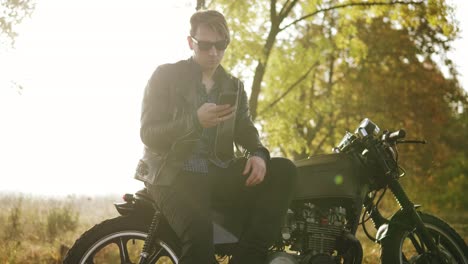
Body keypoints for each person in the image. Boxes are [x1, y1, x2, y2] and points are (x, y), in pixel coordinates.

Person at [134, 9, 297, 264]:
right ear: (191, 42)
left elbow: (245, 129)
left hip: (217, 172)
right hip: (172, 174)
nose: (213, 53)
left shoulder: (234, 86)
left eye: (220, 45)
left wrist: (258, 154)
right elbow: (148, 133)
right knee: (200, 239)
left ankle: (248, 258)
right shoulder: (165, 76)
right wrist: (195, 122)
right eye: (205, 45)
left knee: (284, 169)